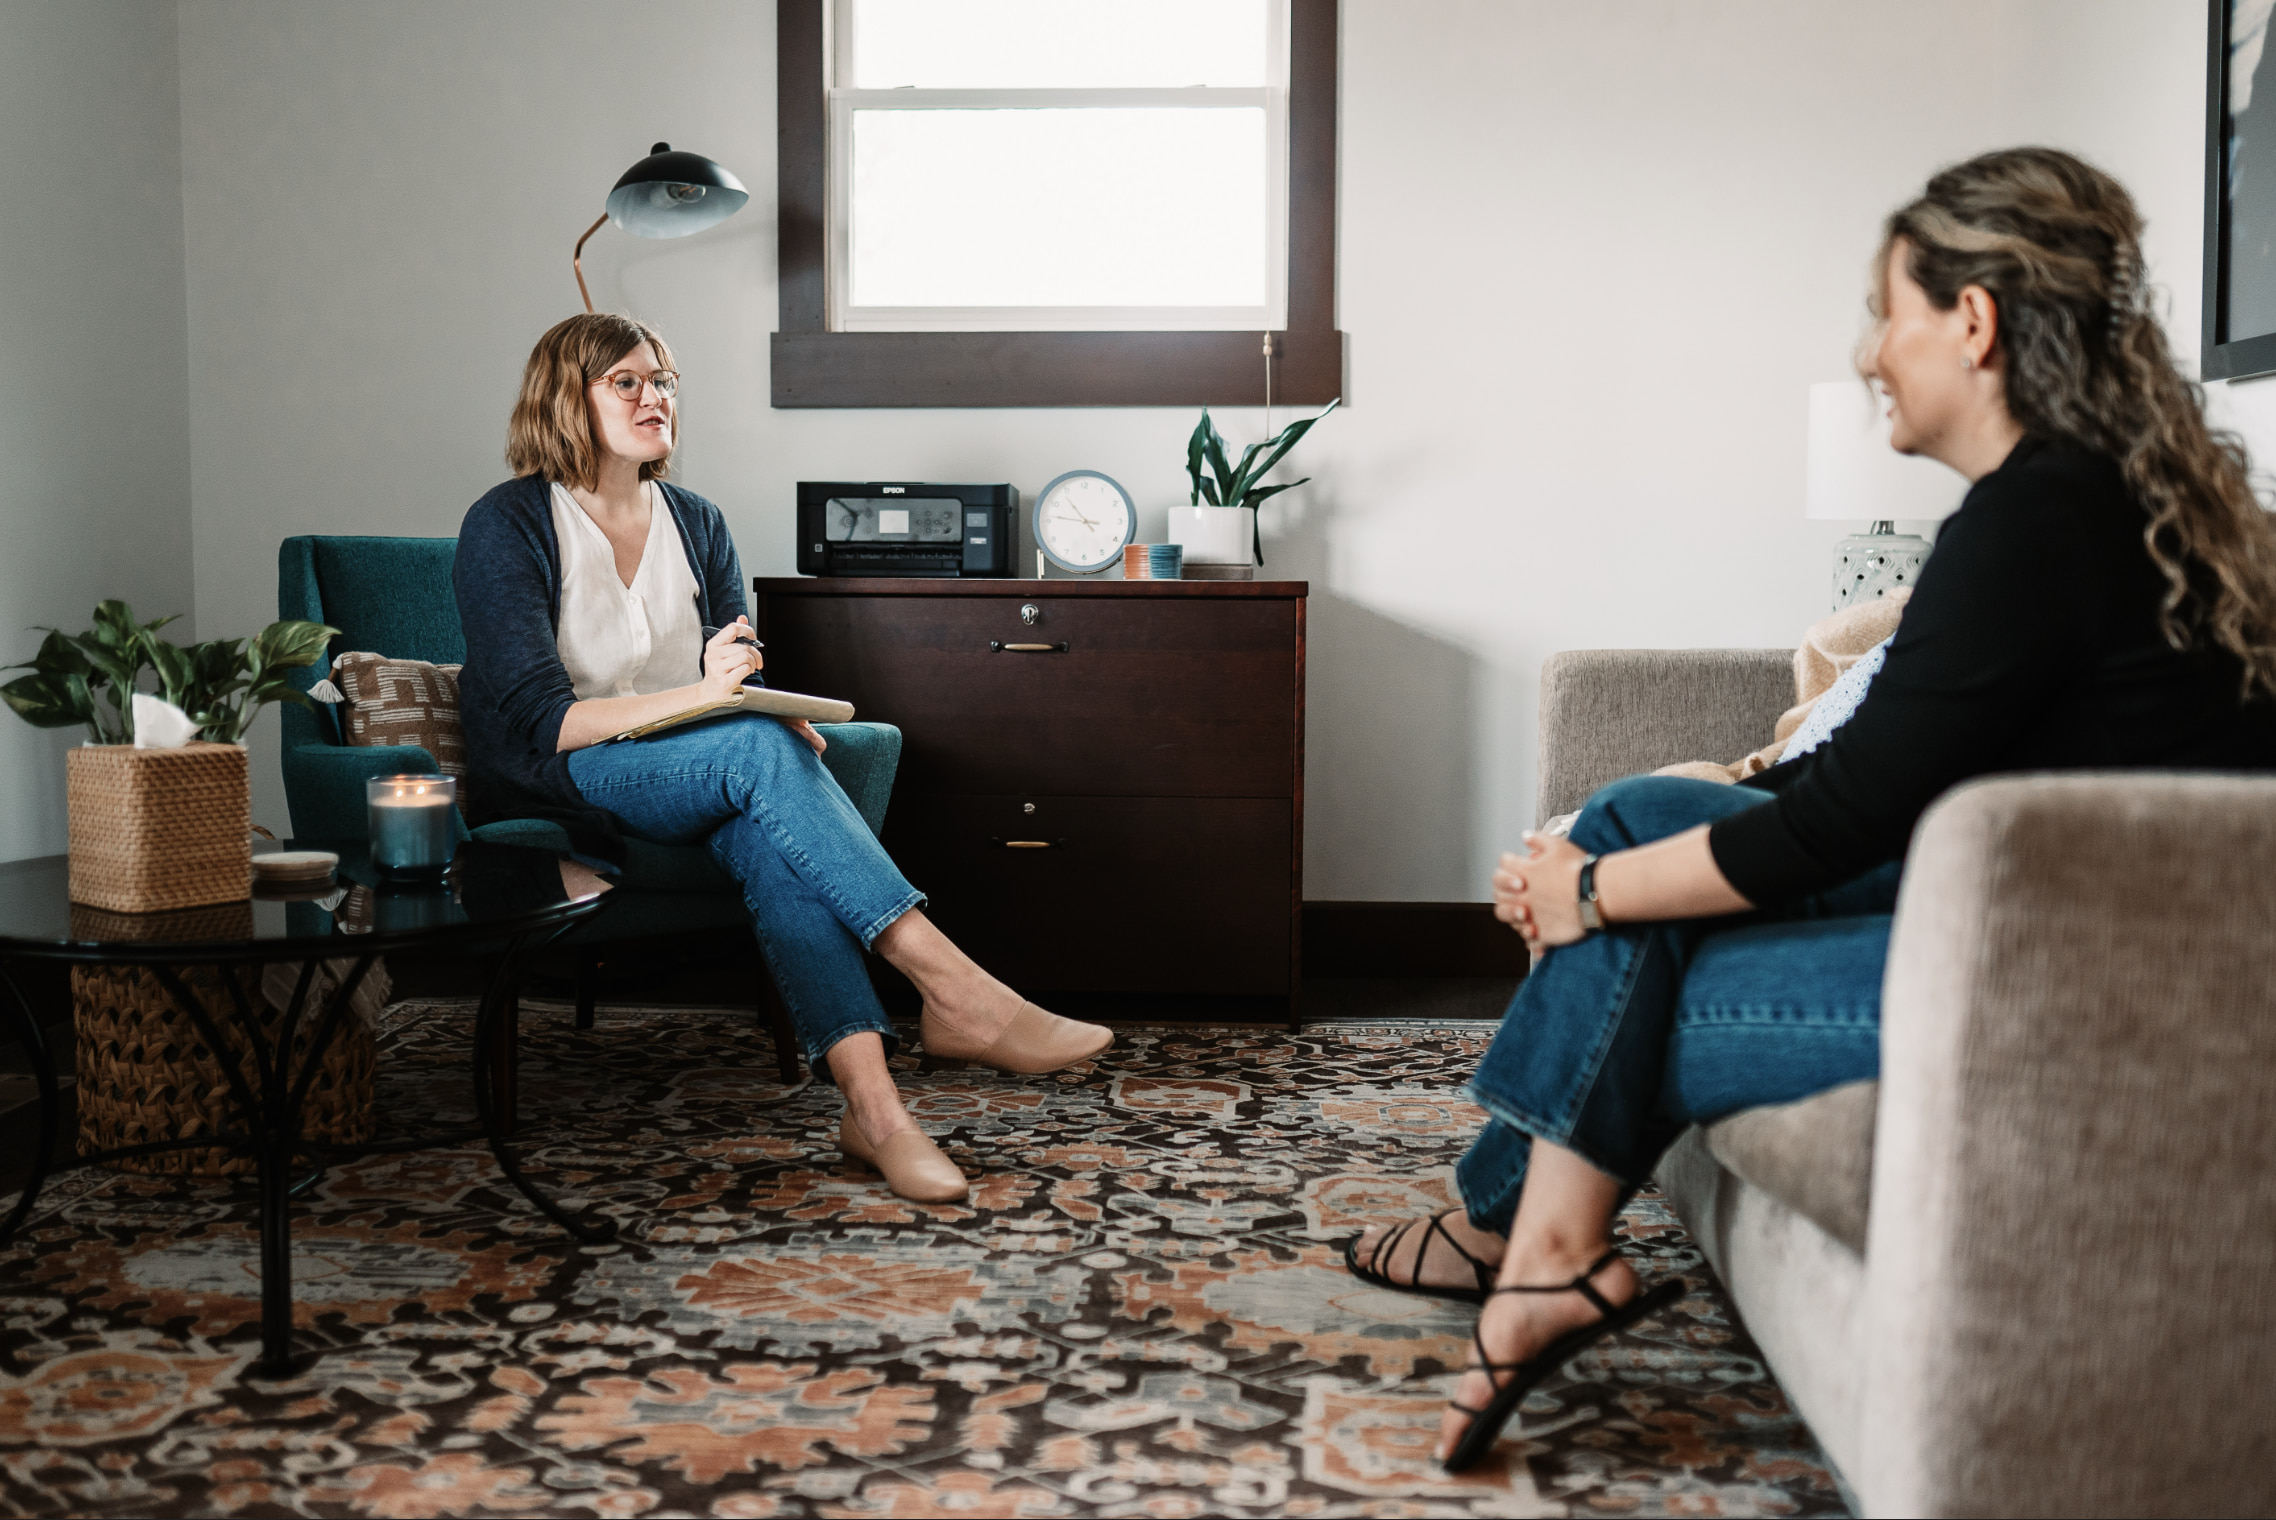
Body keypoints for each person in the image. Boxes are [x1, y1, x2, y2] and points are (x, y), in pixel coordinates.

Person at [1343, 147, 2276, 1472]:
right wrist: (1610, 864)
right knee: (1632, 824)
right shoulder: (2106, 504)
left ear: (1973, 318)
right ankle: (1532, 1245)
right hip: (2059, 950)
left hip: (2074, 1007)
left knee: (1618, 949)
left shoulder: (2036, 526)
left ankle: (1529, 1242)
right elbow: (1878, 790)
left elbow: (1839, 825)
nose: (1867, 353)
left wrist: (1587, 897)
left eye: (1885, 309)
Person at [453, 312, 1114, 1204]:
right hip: (570, 769)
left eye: (665, 381)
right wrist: (723, 708)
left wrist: (764, 707)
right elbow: (544, 720)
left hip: (697, 762)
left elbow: (736, 660)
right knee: (759, 755)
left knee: (775, 820)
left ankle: (876, 1116)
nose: (656, 398)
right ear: (565, 398)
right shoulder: (508, 523)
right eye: (628, 382)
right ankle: (956, 991)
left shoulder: (696, 519)